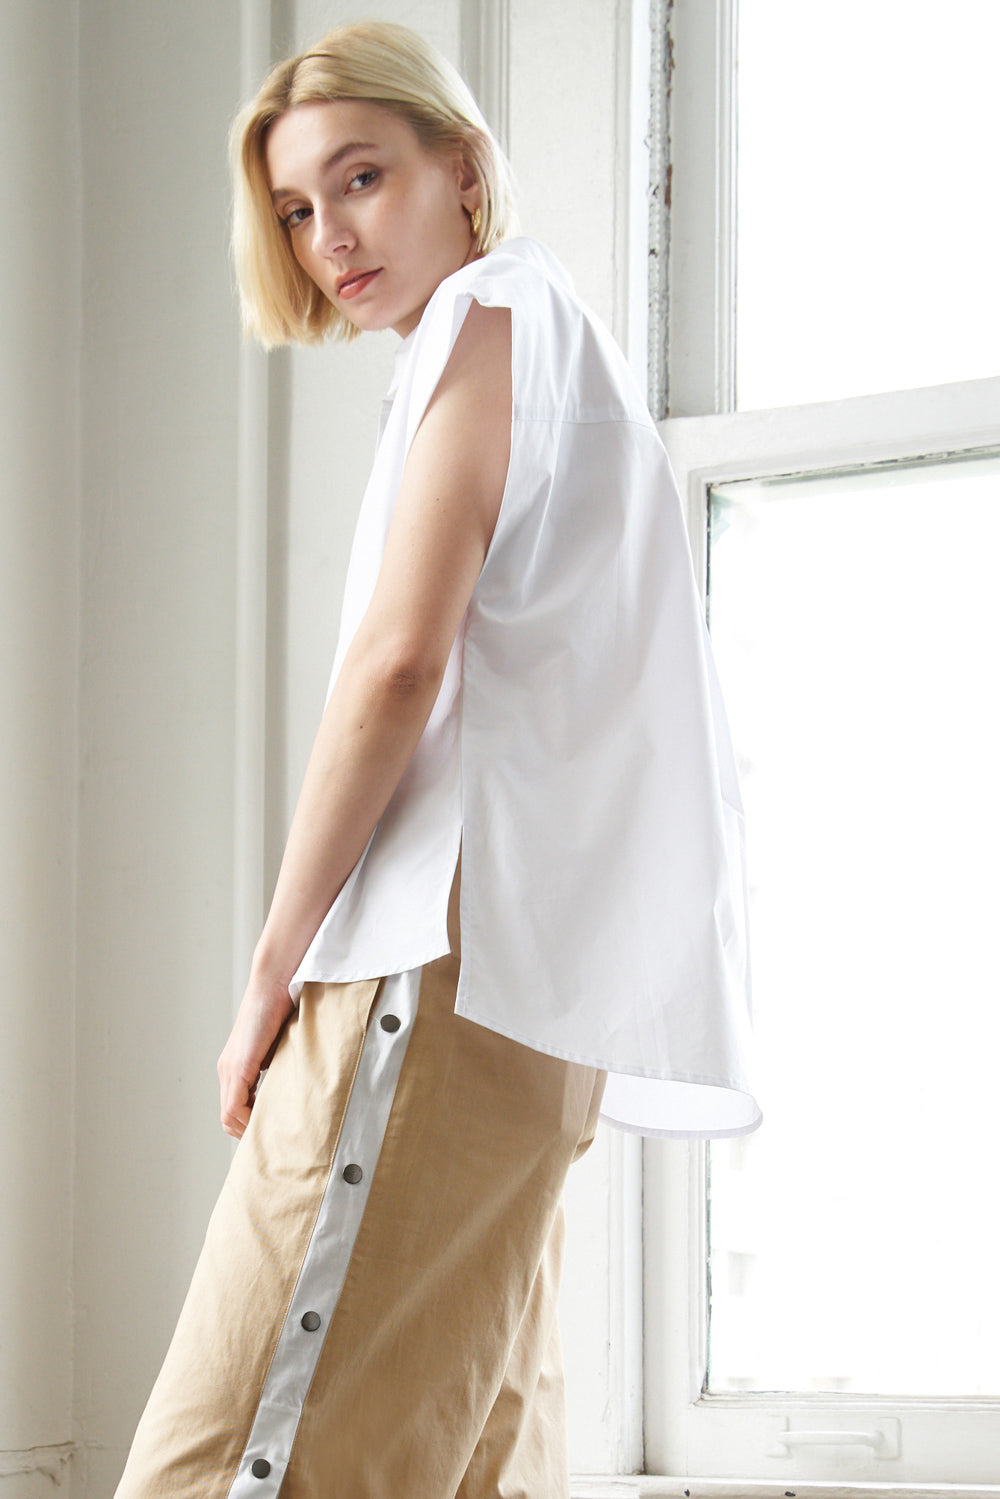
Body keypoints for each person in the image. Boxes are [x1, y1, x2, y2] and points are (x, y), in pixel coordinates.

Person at [114, 20, 760, 1499]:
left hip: (434, 953)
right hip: (538, 989)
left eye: (362, 178)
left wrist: (272, 969)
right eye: (296, 208)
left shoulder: (490, 316)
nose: (330, 237)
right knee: (474, 1446)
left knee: (229, 1455)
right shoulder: (557, 343)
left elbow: (400, 664)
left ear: (463, 167)